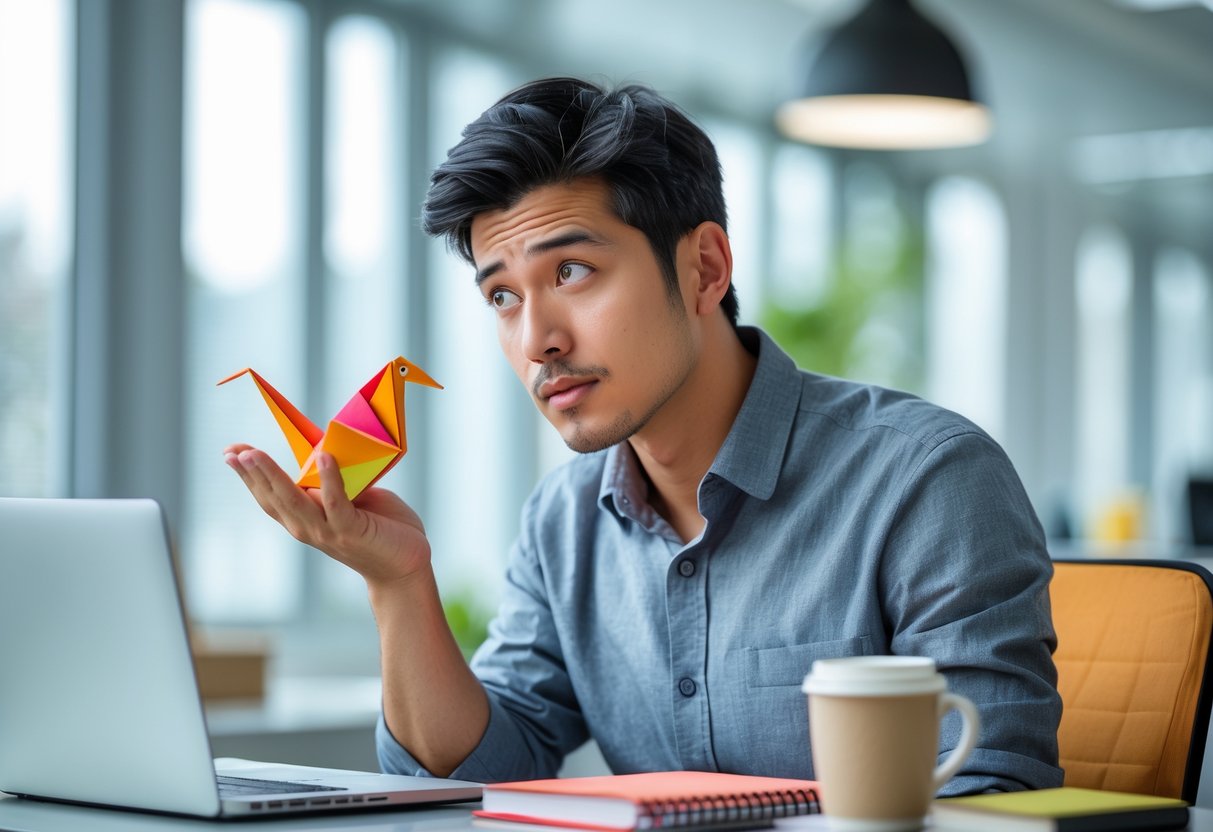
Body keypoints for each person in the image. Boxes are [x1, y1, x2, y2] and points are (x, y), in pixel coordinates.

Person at [224, 76, 1062, 793]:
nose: (536, 340)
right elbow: (480, 774)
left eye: (572, 271)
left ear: (704, 268)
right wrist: (399, 584)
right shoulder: (564, 520)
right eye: (502, 296)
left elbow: (992, 791)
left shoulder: (926, 478)